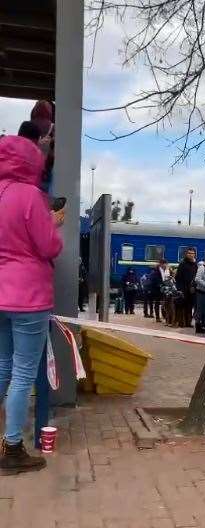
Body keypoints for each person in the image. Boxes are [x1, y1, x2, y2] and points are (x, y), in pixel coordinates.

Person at [0, 134, 63, 475]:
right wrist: (54, 223)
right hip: (27, 298)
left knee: (2, 367)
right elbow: (49, 247)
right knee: (23, 374)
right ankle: (11, 448)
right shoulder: (30, 196)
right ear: (32, 163)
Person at [176, 248, 198, 327]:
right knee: (182, 306)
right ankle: (181, 322)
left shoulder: (195, 264)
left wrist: (194, 286)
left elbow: (196, 276)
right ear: (186, 254)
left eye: (192, 253)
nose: (191, 255)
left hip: (192, 289)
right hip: (184, 288)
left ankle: (188, 322)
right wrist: (180, 289)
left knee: (190, 306)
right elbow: (178, 277)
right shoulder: (182, 264)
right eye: (189, 253)